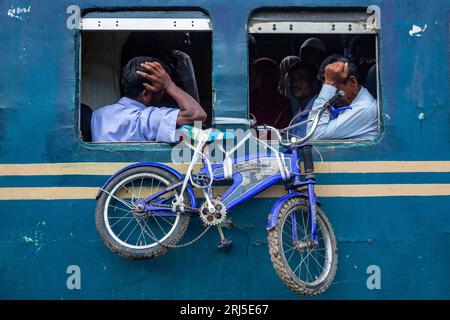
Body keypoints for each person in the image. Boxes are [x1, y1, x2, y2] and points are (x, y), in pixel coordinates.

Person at [91, 56, 207, 143]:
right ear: (145, 94)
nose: (163, 95)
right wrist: (168, 85)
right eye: (161, 92)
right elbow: (197, 115)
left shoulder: (98, 115)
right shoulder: (146, 119)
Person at [306, 55, 378, 140]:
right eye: (328, 91)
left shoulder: (364, 108)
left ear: (353, 82)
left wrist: (329, 85)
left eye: (335, 90)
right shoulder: (347, 104)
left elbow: (312, 135)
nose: (330, 98)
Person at [249, 58, 292, 129]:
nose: (250, 78)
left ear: (265, 76)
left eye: (254, 74)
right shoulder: (248, 99)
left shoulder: (282, 104)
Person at [285, 61, 320, 137]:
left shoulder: (320, 109)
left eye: (301, 78)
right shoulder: (297, 114)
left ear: (314, 83)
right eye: (292, 79)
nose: (294, 84)